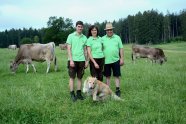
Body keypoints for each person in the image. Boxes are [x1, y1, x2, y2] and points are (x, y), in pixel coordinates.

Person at [66, 21, 88, 102]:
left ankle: (79, 94)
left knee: (80, 77)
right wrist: (71, 60)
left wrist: (86, 61)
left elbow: (85, 50)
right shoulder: (71, 36)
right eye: (79, 26)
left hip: (81, 60)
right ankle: (72, 94)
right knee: (72, 77)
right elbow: (69, 49)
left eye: (81, 27)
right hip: (73, 60)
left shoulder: (84, 38)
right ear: (76, 27)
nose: (80, 28)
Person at [102, 22, 124, 97]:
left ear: (112, 29)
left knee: (116, 75)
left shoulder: (117, 37)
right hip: (106, 61)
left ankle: (117, 90)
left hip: (116, 60)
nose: (109, 31)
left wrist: (122, 59)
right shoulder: (102, 39)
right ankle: (108, 90)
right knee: (107, 76)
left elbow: (121, 48)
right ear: (106, 31)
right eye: (108, 30)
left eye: (110, 29)